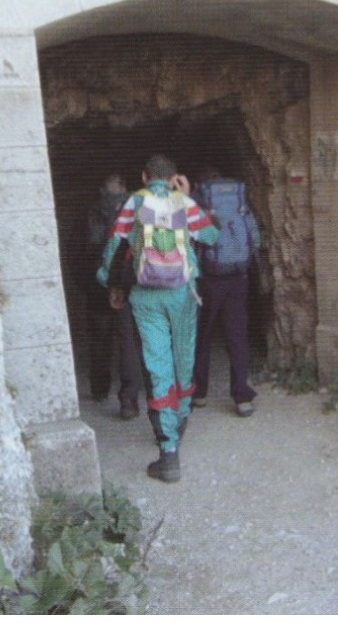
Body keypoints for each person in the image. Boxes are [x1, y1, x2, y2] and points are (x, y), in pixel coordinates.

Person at [96, 154, 218, 483]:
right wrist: (189, 196)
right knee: (183, 358)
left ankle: (168, 454)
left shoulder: (135, 201)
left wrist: (107, 279)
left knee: (157, 365)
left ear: (144, 175)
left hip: (145, 296)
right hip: (183, 293)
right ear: (173, 177)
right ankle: (178, 419)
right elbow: (210, 237)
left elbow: (114, 243)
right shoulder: (182, 201)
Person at [191, 169, 261, 417]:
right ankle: (242, 397)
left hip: (209, 279)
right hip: (238, 278)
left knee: (202, 335)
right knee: (237, 336)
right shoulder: (240, 204)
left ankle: (199, 393)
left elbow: (193, 240)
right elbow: (255, 238)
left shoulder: (200, 204)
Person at [84, 173, 142, 420]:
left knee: (101, 338)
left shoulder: (93, 211)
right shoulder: (138, 209)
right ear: (125, 187)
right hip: (128, 284)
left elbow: (82, 249)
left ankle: (99, 388)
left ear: (102, 189)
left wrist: (89, 282)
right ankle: (129, 399)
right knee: (130, 340)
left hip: (101, 284)